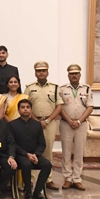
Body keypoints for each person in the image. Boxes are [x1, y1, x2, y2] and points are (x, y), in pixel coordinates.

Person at [24, 61, 63, 191]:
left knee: (48, 151)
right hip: (32, 122)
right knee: (31, 149)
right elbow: (25, 105)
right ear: (35, 72)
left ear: (47, 72)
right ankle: (30, 180)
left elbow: (59, 106)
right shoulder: (29, 87)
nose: (41, 73)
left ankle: (48, 179)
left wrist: (47, 120)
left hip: (50, 123)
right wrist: (36, 120)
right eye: (38, 71)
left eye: (43, 70)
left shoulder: (55, 87)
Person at [9, 99, 52, 199]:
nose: (25, 110)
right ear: (18, 110)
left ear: (31, 110)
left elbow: (42, 143)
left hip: (35, 154)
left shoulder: (37, 124)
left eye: (27, 107)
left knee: (47, 164)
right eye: (22, 107)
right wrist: (26, 154)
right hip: (20, 155)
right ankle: (28, 191)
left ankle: (37, 191)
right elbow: (12, 143)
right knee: (26, 164)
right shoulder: (12, 124)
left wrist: (36, 154)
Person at [58, 64, 93, 191]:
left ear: (80, 75)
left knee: (79, 152)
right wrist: (70, 121)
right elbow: (59, 107)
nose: (74, 75)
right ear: (68, 75)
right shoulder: (62, 89)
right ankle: (67, 178)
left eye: (76, 73)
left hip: (81, 125)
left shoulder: (87, 89)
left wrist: (78, 121)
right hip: (66, 124)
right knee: (66, 152)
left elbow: (90, 107)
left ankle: (77, 179)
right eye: (71, 73)